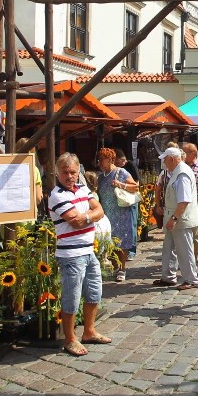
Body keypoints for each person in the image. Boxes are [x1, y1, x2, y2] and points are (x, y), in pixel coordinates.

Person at [48, 152, 111, 358]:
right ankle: (70, 338)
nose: (69, 176)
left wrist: (85, 216)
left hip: (88, 250)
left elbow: (100, 210)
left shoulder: (83, 188)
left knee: (94, 292)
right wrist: (89, 215)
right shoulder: (56, 195)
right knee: (71, 297)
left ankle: (89, 331)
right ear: (57, 173)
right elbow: (74, 221)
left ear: (78, 172)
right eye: (65, 172)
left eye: (73, 172)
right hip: (71, 254)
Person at [155, 147, 198, 290]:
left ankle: (191, 279)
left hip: (181, 219)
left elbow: (184, 200)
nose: (163, 162)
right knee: (169, 248)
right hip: (175, 218)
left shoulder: (182, 174)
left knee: (184, 250)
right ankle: (168, 277)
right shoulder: (176, 172)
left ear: (172, 159)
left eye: (165, 159)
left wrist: (174, 218)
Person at [97, 148, 138, 283]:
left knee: (122, 240)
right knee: (111, 241)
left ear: (110, 159)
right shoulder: (102, 176)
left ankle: (122, 268)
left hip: (120, 212)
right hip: (108, 213)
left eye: (101, 159)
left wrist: (120, 184)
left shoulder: (121, 172)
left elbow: (135, 187)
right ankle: (115, 266)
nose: (99, 162)